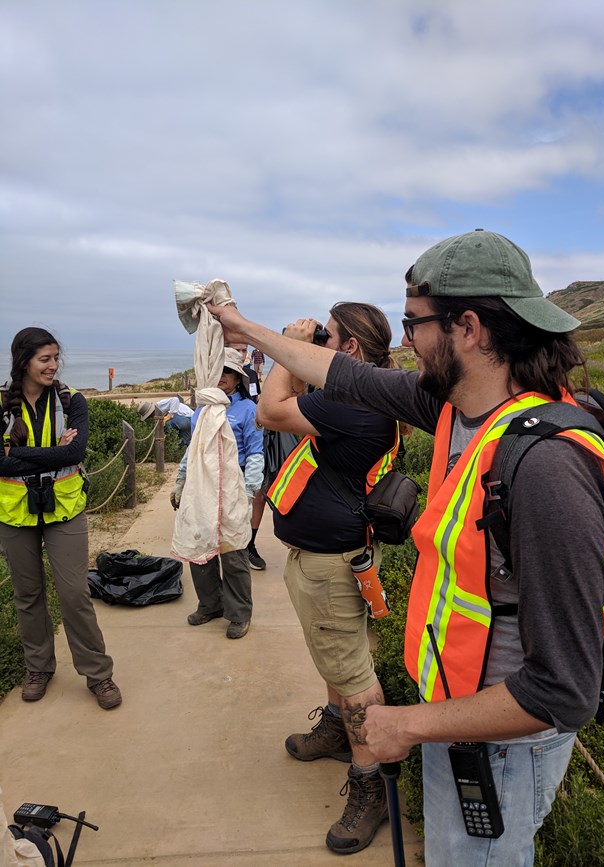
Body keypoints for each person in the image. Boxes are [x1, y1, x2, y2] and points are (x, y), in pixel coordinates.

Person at [208, 230, 604, 866]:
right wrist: (245, 328)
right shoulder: (456, 409)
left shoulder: (548, 469)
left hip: (504, 750)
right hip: (460, 722)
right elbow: (344, 373)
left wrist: (406, 725)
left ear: (469, 328)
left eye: (414, 323)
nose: (405, 341)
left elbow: (564, 689)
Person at [223, 302, 400, 856]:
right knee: (333, 658)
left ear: (348, 350)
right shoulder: (350, 397)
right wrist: (302, 352)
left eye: (330, 335)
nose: (318, 339)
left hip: (330, 563)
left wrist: (284, 340)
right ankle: (334, 729)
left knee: (351, 672)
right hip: (314, 556)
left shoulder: (359, 403)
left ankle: (370, 785)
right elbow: (293, 394)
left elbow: (269, 412)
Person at [0, 328, 122, 709]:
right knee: (28, 594)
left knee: (74, 593)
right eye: (45, 359)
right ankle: (39, 667)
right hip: (14, 512)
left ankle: (98, 674)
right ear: (24, 362)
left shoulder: (73, 402)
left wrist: (18, 454)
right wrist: (54, 450)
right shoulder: (2, 404)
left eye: (55, 358)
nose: (53, 366)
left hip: (65, 508)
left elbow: (75, 454)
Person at [170, 348, 262, 639]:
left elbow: (256, 453)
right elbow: (192, 450)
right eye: (218, 371)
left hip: (233, 487)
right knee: (201, 549)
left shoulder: (248, 410)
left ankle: (239, 614)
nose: (222, 377)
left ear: (238, 378)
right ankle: (210, 604)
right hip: (202, 488)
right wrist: (181, 480)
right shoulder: (202, 410)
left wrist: (248, 493)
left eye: (228, 372)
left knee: (233, 552)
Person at [227, 342, 266, 570]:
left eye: (244, 350)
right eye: (237, 349)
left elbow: (257, 398)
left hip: (253, 435)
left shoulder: (250, 373)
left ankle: (250, 544)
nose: (242, 354)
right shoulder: (207, 404)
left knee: (258, 495)